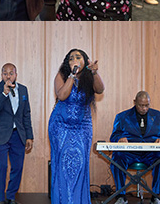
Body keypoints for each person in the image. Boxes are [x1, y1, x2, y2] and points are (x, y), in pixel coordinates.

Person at [49, 49, 105, 204]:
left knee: (80, 165)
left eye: (78, 57)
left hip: (82, 127)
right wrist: (72, 76)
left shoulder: (89, 77)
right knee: (63, 164)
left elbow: (100, 89)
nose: (74, 60)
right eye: (71, 58)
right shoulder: (62, 76)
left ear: (85, 61)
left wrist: (94, 73)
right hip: (60, 126)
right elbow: (62, 95)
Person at [109, 91, 160, 204]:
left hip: (151, 153)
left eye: (146, 105)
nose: (144, 108)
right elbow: (114, 136)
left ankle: (155, 196)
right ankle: (121, 197)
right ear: (134, 102)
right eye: (141, 105)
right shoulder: (122, 117)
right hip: (129, 153)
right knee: (117, 157)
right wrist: (120, 138)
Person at [0, 63, 34, 204]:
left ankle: (11, 196)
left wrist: (29, 136)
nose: (8, 76)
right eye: (5, 73)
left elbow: (26, 114)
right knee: (1, 167)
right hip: (1, 135)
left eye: (11, 73)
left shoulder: (24, 90)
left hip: (18, 135)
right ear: (2, 75)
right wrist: (4, 93)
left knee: (18, 167)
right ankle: (1, 199)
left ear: (16, 74)